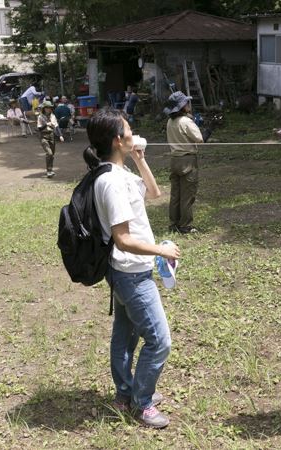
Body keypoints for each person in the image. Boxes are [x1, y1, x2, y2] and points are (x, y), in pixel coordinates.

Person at [84, 108, 179, 428]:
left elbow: (154, 193)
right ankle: (142, 402)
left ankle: (125, 394)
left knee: (125, 337)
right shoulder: (111, 182)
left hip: (129, 270)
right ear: (117, 140)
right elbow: (122, 239)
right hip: (130, 272)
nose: (133, 133)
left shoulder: (121, 175)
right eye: (129, 130)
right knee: (159, 341)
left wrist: (139, 158)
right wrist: (161, 250)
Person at [165, 91, 203, 234]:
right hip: (187, 160)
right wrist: (209, 129)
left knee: (176, 194)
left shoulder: (170, 121)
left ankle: (174, 223)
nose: (188, 104)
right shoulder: (186, 121)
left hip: (174, 160)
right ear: (181, 106)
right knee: (187, 195)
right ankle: (185, 226)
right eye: (186, 103)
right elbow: (199, 138)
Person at [37, 100, 63, 178]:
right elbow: (39, 128)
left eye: (50, 108)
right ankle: (48, 171)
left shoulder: (53, 116)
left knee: (52, 155)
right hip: (43, 136)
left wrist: (60, 135)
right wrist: (46, 124)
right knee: (49, 153)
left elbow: (56, 126)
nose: (49, 109)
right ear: (44, 108)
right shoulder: (40, 117)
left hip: (52, 136)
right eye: (47, 108)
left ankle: (50, 170)